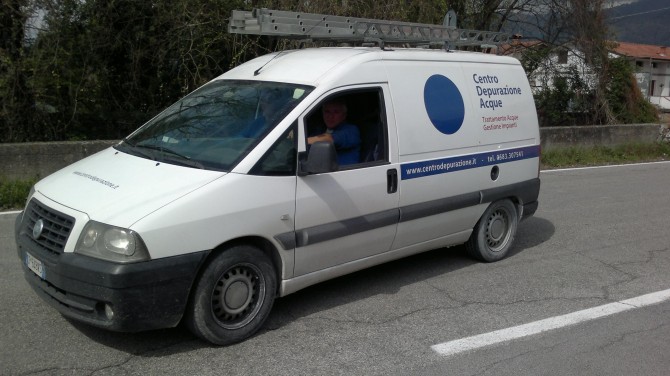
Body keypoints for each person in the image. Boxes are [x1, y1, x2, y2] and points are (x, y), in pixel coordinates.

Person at [307, 100, 361, 165]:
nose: (330, 116)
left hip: (344, 173)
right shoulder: (319, 129)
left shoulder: (351, 130)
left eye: (336, 112)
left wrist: (302, 142)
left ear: (344, 115)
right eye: (327, 112)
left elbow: (329, 139)